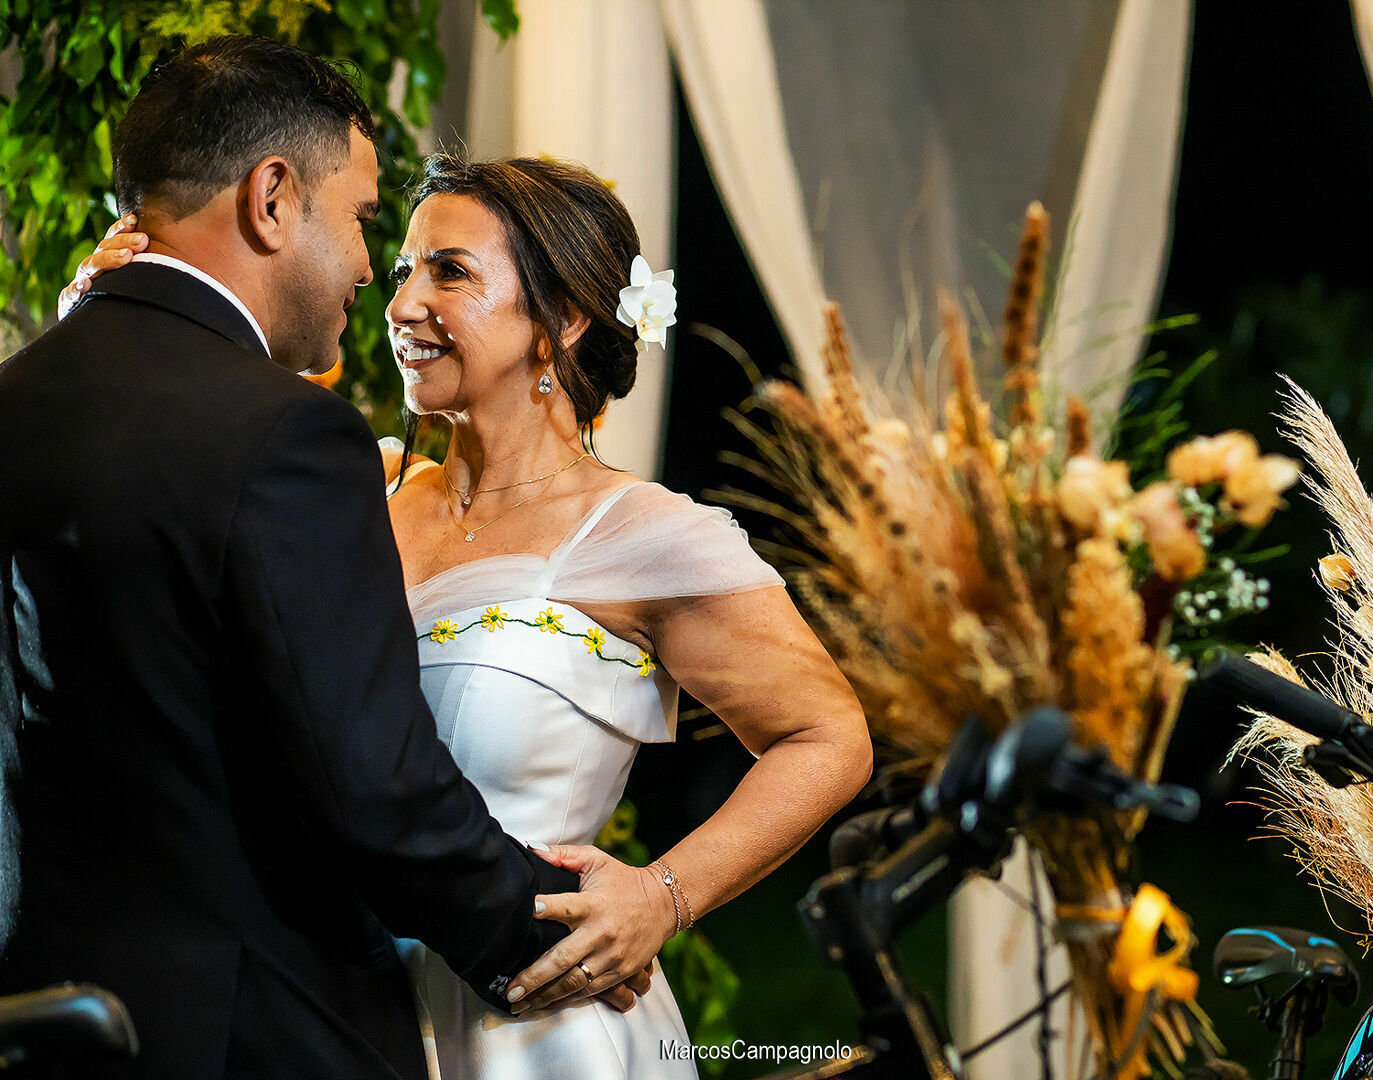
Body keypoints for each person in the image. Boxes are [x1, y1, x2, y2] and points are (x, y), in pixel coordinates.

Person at [70, 151, 876, 1078]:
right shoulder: (351, 495)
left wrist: (664, 896)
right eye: (405, 266)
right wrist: (112, 330)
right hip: (325, 1015)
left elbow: (828, 736)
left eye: (449, 271)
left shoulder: (645, 535)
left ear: (563, 319)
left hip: (540, 1027)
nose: (403, 300)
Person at [0, 37, 642, 1080]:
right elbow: (374, 789)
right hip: (251, 1037)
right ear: (270, 198)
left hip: (42, 1028)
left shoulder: (17, 402)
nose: (363, 272)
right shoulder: (287, 436)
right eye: (357, 220)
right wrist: (550, 931)